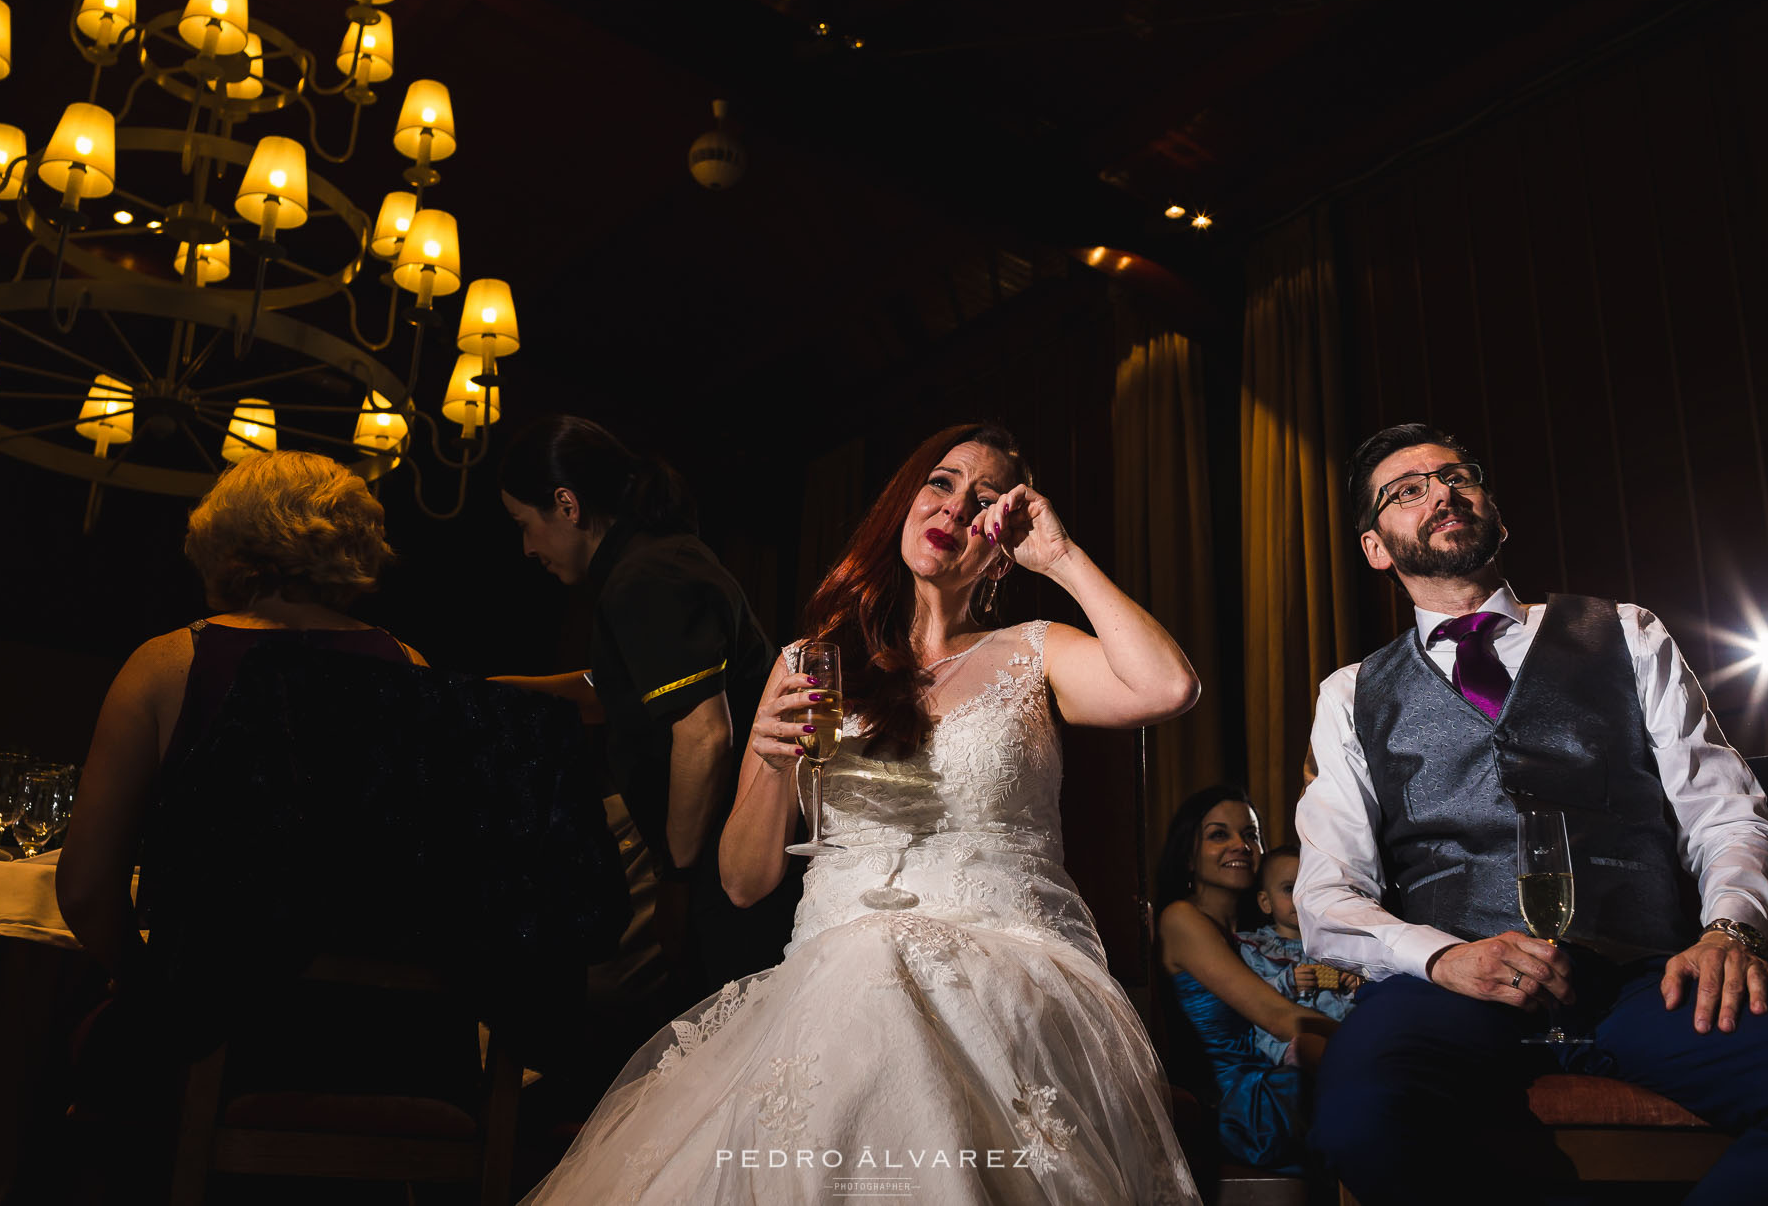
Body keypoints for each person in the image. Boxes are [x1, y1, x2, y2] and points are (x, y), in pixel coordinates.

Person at [524, 423, 1204, 1204]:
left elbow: (1167, 688)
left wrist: (1061, 558)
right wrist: (774, 763)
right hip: (833, 971)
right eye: (941, 482)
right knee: (863, 979)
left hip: (1004, 961)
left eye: (985, 500)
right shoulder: (812, 663)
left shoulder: (1035, 650)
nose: (954, 505)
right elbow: (744, 881)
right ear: (905, 500)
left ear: (1002, 536)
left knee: (882, 972)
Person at [1296, 422, 1768, 1204]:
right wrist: (1444, 958)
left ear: (1495, 512)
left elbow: (1727, 813)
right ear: (1377, 546)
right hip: (1449, 989)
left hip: (1642, 981)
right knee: (1356, 1118)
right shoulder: (1349, 694)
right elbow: (1325, 893)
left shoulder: (1627, 632)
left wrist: (1729, 929)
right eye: (1408, 490)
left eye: (1458, 475)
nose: (1443, 491)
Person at [58, 449, 423, 984]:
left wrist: (150, 987)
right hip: (372, 1030)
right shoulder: (410, 666)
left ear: (227, 538)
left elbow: (85, 889)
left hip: (209, 1021)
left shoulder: (166, 663)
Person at [498, 415, 790, 1000]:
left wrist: (676, 881)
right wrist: (502, 690)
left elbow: (705, 735)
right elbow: (618, 688)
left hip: (724, 864)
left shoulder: (646, 576)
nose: (527, 547)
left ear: (567, 504)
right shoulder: (654, 561)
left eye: (524, 525)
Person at [1157, 787, 1335, 1175]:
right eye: (1219, 834)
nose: (1240, 845)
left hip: (1284, 1073)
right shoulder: (1181, 918)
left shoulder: (1268, 931)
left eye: (1250, 835)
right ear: (1188, 856)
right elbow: (1277, 1017)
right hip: (1241, 1101)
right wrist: (1372, 1036)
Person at [1235, 845, 1359, 1066]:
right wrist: (1289, 981)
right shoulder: (1256, 947)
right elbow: (1253, 995)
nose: (1300, 897)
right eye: (1289, 888)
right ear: (1265, 902)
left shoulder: (1334, 941)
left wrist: (1351, 983)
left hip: (1339, 1026)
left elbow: (1352, 991)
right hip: (1288, 1040)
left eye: (1308, 887)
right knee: (1308, 1046)